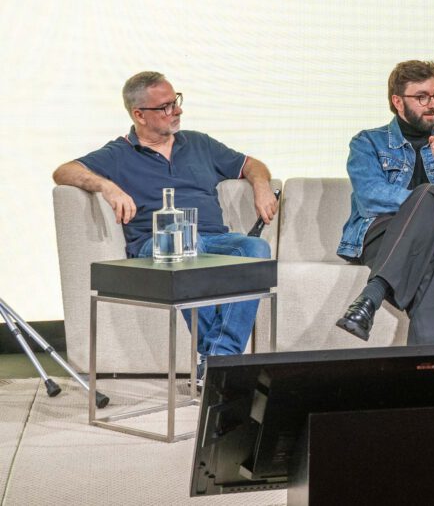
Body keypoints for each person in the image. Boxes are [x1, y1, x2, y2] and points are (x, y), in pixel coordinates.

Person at [53, 71, 278, 381]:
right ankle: (222, 364)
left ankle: (218, 359)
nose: (178, 110)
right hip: (157, 247)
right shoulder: (119, 153)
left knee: (256, 248)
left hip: (214, 240)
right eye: (166, 106)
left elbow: (251, 164)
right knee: (183, 244)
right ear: (139, 115)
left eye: (176, 101)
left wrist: (261, 185)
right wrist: (106, 186)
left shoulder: (198, 143)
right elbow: (63, 171)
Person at [336, 60, 434, 345]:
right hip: (384, 234)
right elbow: (370, 195)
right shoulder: (367, 142)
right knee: (429, 210)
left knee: (431, 203)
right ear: (397, 101)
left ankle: (373, 293)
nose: (432, 104)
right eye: (421, 97)